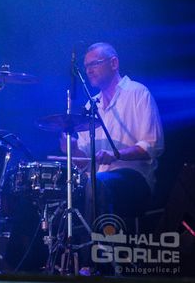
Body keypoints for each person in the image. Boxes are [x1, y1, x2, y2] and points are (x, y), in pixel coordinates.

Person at [64, 42, 164, 221]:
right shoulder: (90, 106)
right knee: (61, 190)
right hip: (98, 181)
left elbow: (152, 146)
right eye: (86, 66)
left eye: (94, 64)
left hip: (136, 179)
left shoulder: (137, 93)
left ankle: (98, 238)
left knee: (97, 183)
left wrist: (115, 155)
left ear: (114, 63)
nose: (88, 71)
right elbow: (85, 163)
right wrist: (72, 149)